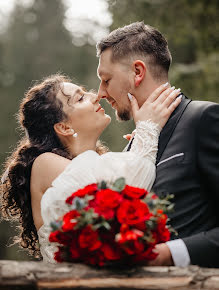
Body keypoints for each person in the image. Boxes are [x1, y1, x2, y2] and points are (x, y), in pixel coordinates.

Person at [1, 74, 181, 262]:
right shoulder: (45, 163)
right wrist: (147, 131)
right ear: (64, 127)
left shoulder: (95, 162)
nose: (95, 96)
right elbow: (120, 197)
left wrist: (136, 149)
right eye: (80, 98)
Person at [96, 21, 219, 268]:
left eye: (106, 79)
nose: (100, 93)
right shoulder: (134, 146)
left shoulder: (204, 118)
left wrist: (172, 253)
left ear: (138, 72)